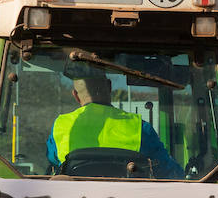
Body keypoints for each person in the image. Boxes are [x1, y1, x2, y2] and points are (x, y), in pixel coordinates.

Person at [47, 75, 182, 177]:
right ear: (109, 87)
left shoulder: (61, 126)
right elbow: (170, 172)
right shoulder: (140, 128)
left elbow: (52, 166)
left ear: (75, 95)